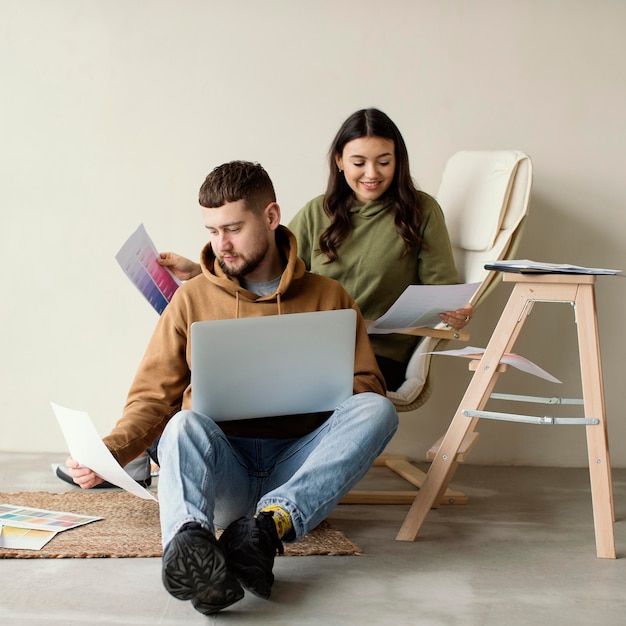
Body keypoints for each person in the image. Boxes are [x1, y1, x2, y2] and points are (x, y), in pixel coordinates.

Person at [64, 161, 398, 616]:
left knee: (378, 410)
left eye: (234, 228)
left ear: (271, 216)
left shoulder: (329, 296)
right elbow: (151, 396)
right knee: (182, 423)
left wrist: (319, 386)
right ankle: (192, 548)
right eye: (212, 230)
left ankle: (267, 528)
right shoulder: (191, 298)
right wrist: (109, 453)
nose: (221, 243)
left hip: (295, 468)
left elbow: (366, 386)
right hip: (227, 472)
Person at [159, 109, 472, 391]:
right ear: (339, 161)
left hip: (376, 355)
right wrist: (200, 269)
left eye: (384, 162)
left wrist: (455, 314)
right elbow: (267, 264)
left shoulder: (422, 211)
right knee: (203, 372)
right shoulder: (317, 212)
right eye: (359, 162)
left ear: (398, 161)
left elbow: (442, 289)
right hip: (308, 346)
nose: (372, 173)